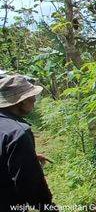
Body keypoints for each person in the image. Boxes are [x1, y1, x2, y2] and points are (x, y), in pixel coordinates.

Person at [0, 75, 53, 211]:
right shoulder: (18, 132)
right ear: (22, 101)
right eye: (32, 96)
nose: (34, 100)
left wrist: (28, 156)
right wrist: (47, 206)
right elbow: (29, 183)